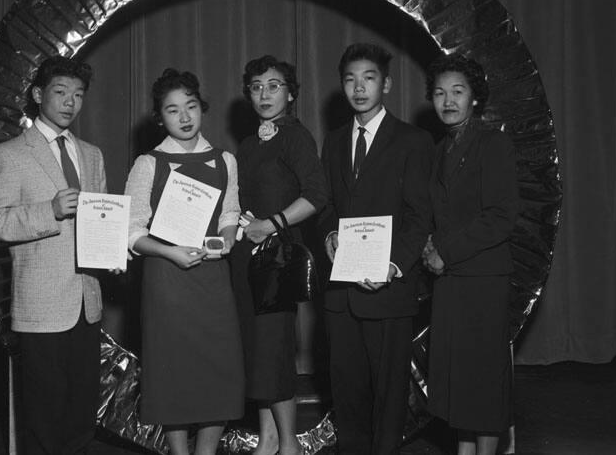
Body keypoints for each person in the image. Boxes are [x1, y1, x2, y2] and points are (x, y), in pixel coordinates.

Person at [0, 55, 119, 454]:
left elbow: (99, 219)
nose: (70, 102)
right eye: (60, 92)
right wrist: (50, 211)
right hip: (41, 303)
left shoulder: (91, 154)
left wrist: (112, 247)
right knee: (43, 412)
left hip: (86, 300)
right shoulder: (9, 154)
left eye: (78, 95)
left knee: (81, 408)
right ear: (38, 94)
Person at [320, 43, 433, 454]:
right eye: (350, 79)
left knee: (388, 395)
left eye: (368, 78)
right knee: (347, 392)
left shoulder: (414, 141)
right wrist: (330, 235)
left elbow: (421, 216)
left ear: (385, 84)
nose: (359, 87)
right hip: (342, 292)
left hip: (388, 288)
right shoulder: (332, 141)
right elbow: (327, 204)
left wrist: (394, 265)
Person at [124, 69, 244, 455]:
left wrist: (227, 237)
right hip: (167, 281)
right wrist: (168, 251)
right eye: (173, 110)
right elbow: (131, 232)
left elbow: (230, 212)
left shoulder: (225, 159)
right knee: (172, 370)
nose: (185, 117)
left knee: (218, 368)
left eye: (191, 106)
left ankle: (206, 452)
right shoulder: (148, 163)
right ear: (161, 118)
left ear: (201, 108)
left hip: (212, 278)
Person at [230, 55, 327, 455]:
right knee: (256, 350)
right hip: (244, 256)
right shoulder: (250, 143)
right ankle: (268, 437)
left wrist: (271, 223)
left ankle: (289, 443)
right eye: (256, 86)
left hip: (277, 259)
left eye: (273, 85)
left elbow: (317, 197)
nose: (264, 93)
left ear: (290, 92)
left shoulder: (296, 136)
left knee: (274, 349)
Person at [421, 54, 519, 455]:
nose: (448, 101)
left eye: (458, 92)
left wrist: (445, 251)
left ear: (474, 98)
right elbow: (438, 212)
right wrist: (430, 245)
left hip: (482, 280)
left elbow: (501, 216)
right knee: (458, 380)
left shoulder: (492, 143)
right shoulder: (440, 148)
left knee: (482, 380)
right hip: (450, 282)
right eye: (440, 93)